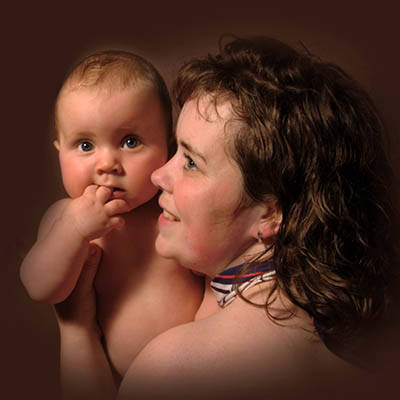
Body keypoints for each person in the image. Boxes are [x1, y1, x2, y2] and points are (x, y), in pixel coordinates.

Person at [52, 37, 398, 400]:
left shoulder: (173, 371)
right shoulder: (320, 334)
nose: (157, 175)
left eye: (190, 162)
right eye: (175, 150)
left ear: (270, 211)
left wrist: (74, 327)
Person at [19, 50, 203, 383]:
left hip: (201, 367)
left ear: (168, 146)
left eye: (130, 141)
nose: (107, 164)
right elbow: (39, 286)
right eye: (85, 145)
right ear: (59, 151)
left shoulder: (173, 207)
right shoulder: (67, 218)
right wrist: (76, 230)